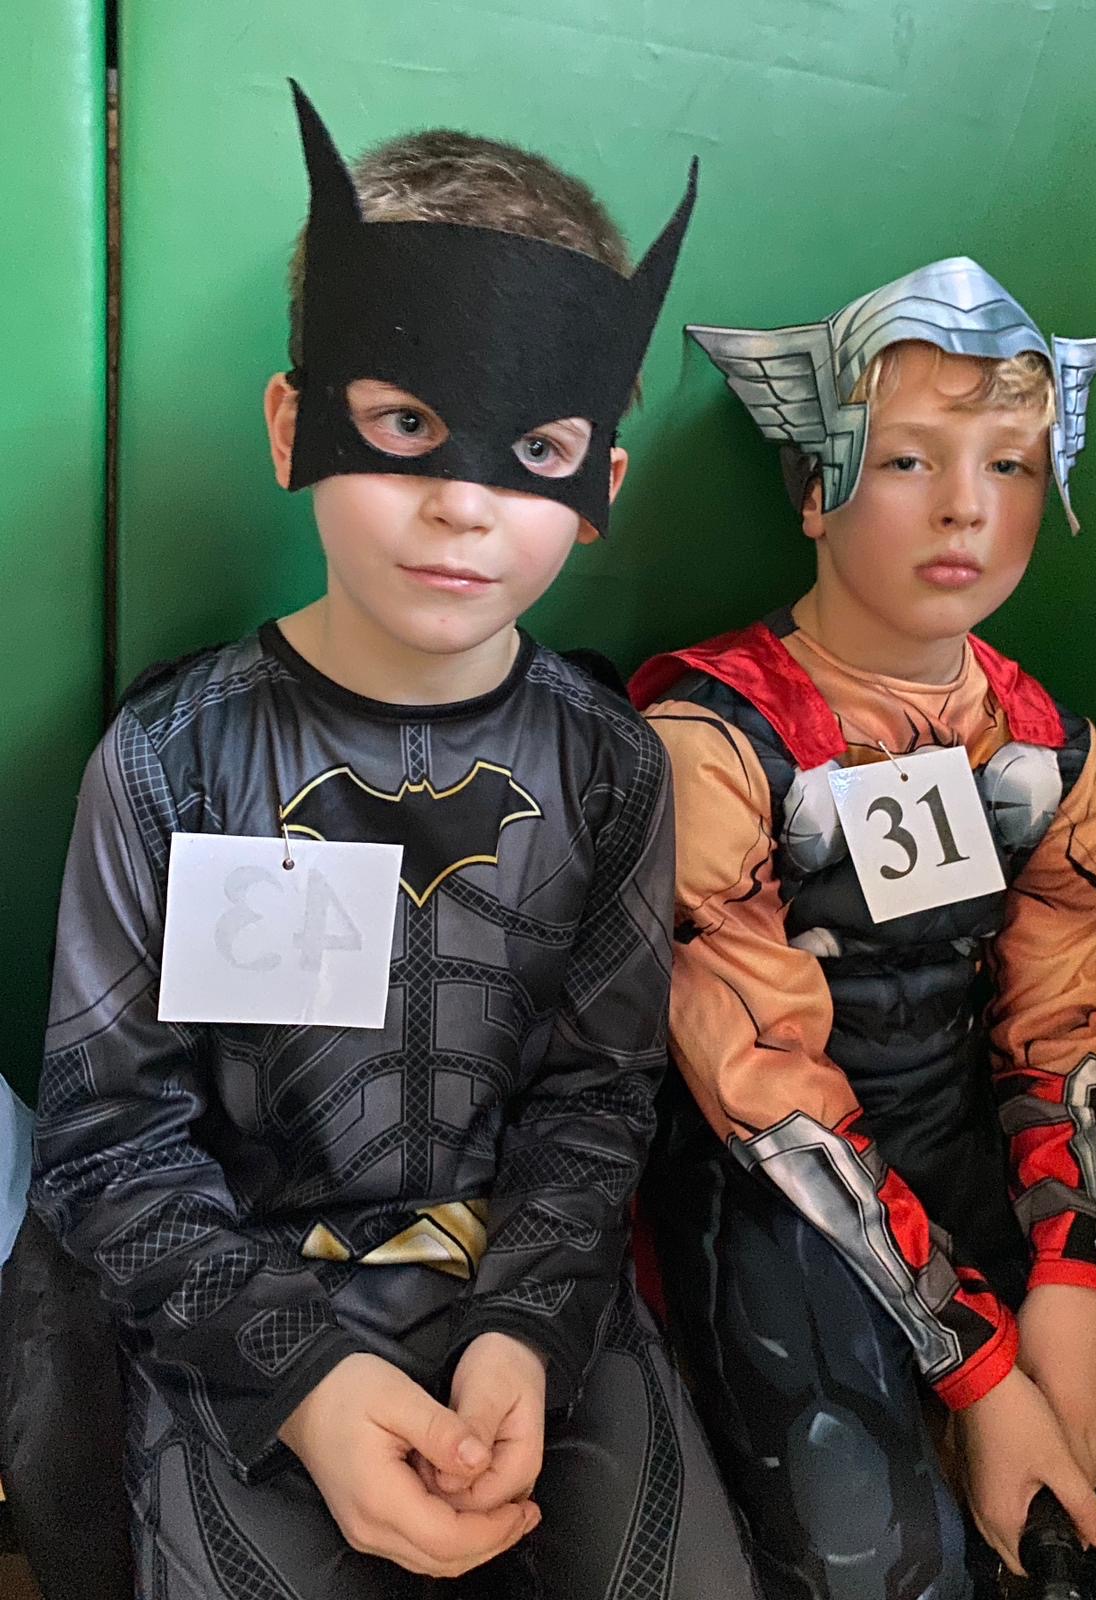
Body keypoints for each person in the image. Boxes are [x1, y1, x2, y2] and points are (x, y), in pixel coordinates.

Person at [26, 81, 756, 1600]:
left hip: (530, 1298)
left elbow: (598, 1093)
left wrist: (526, 1329)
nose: (459, 504)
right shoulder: (170, 758)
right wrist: (302, 1379)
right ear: (294, 423)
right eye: (407, 424)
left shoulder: (610, 765)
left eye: (533, 448)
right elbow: (112, 1138)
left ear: (599, 489)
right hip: (240, 1306)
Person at [631, 256, 1096, 1598]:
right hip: (774, 1196)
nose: (965, 508)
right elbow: (770, 1095)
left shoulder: (1052, 753)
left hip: (976, 1148)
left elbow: (1060, 1024)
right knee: (882, 1558)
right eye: (905, 461)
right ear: (814, 487)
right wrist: (980, 1369)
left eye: (1009, 466)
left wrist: (1078, 1272)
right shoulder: (716, 746)